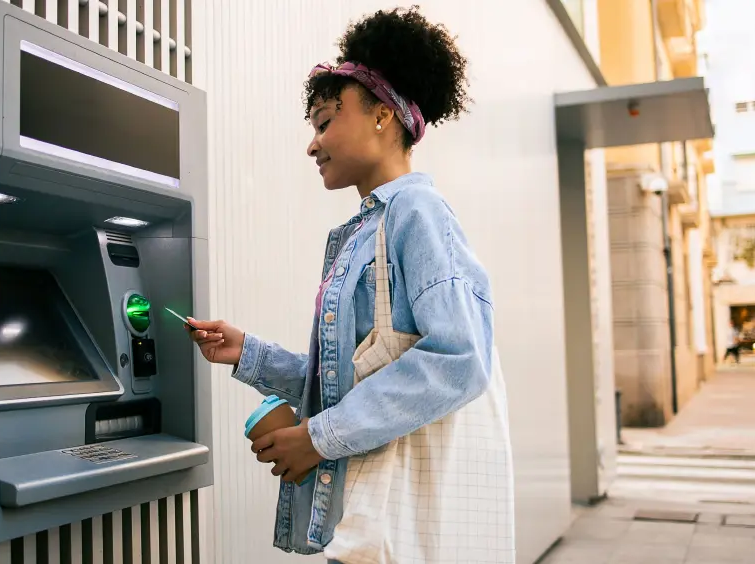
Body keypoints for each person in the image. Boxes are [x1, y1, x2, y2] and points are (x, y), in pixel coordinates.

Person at [186, 7, 512, 560]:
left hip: (397, 528)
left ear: (382, 115)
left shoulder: (416, 213)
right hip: (370, 521)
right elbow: (353, 380)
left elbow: (459, 357)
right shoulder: (371, 228)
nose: (312, 145)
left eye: (323, 122)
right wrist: (249, 354)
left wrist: (315, 438)